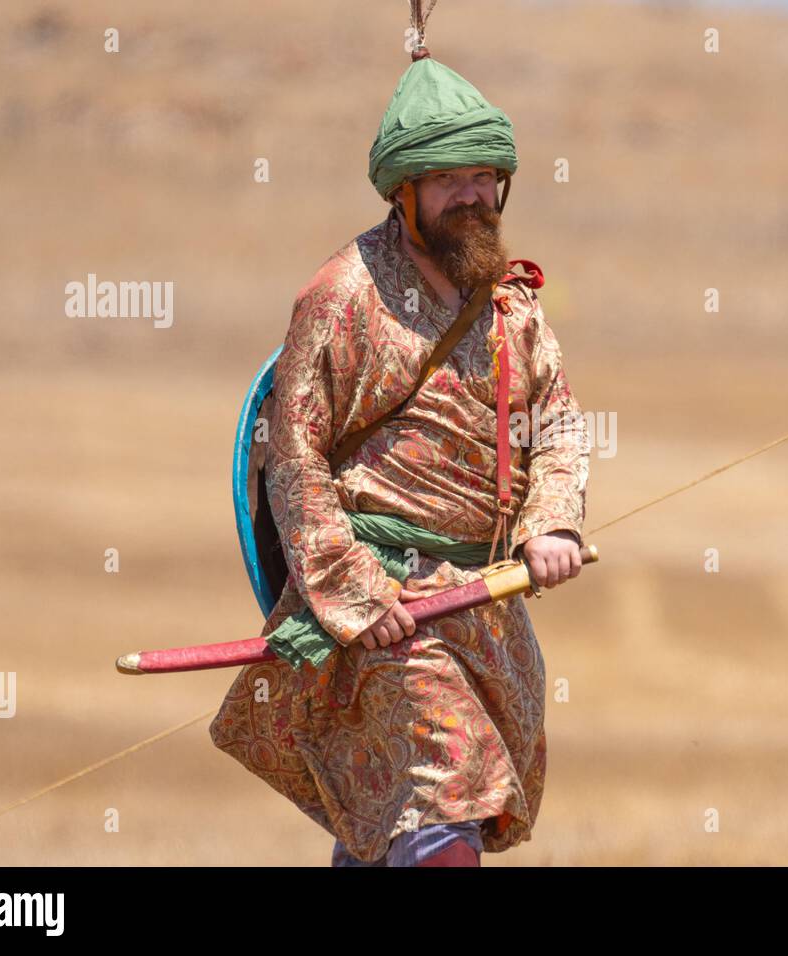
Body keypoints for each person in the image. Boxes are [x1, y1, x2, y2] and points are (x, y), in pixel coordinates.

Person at [209, 50, 590, 867]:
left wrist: (551, 522)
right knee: (442, 801)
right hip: (388, 614)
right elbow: (293, 451)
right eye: (448, 178)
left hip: (485, 606)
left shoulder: (510, 307)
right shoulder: (341, 296)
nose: (472, 196)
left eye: (485, 176)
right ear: (402, 190)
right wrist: (353, 590)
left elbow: (555, 423)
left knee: (398, 826)